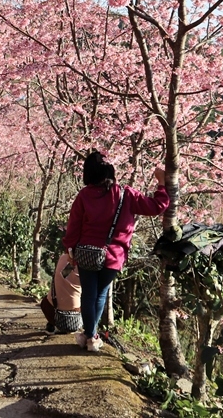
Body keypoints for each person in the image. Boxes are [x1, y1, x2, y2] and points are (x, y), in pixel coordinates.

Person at [62, 151, 169, 352]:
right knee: (100, 294)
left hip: (86, 253)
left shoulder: (84, 195)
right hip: (113, 255)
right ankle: (92, 337)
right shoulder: (125, 194)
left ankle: (90, 336)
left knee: (88, 294)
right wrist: (161, 183)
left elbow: (73, 225)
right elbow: (157, 207)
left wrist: (70, 247)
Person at [39, 251, 81, 333]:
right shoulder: (87, 264)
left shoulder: (63, 258)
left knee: (45, 301)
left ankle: (52, 323)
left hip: (53, 309)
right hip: (75, 316)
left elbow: (63, 275)